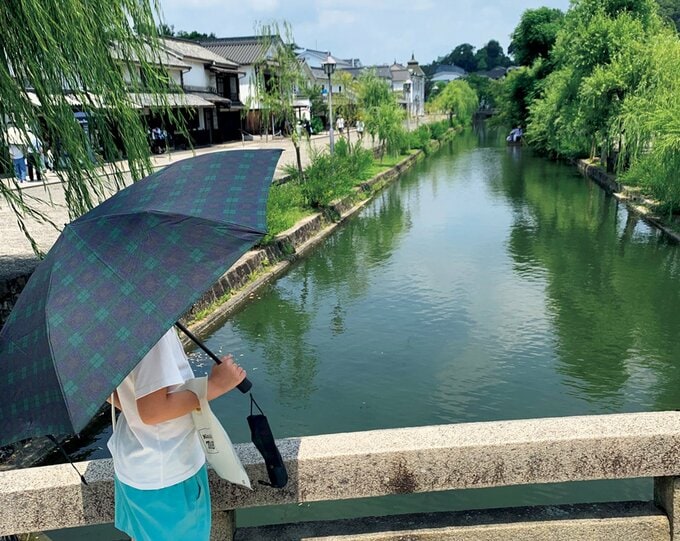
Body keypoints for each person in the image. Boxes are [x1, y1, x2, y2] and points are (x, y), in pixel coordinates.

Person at [107, 327, 246, 541]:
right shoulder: (151, 330)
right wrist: (215, 385)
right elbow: (153, 412)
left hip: (135, 465)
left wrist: (136, 410)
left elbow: (103, 389)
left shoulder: (108, 326)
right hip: (168, 470)